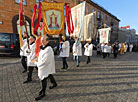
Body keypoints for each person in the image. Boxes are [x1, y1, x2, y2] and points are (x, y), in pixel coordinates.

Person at [32, 35, 57, 101]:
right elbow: (41, 57)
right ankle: (54, 84)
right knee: (47, 76)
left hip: (45, 66)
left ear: (47, 41)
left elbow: (44, 61)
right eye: (41, 40)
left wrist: (35, 62)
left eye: (43, 40)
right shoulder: (43, 47)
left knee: (43, 79)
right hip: (43, 67)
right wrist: (37, 59)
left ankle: (43, 93)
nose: (42, 42)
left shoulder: (48, 49)